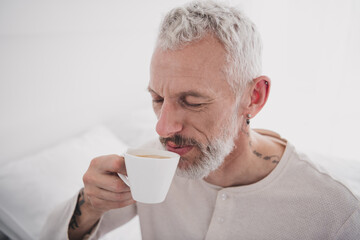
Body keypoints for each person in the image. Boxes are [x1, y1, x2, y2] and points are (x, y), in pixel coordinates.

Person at [41, 1, 360, 239]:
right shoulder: (152, 163)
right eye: (157, 99)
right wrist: (90, 203)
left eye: (192, 102)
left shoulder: (334, 211)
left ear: (254, 97)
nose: (163, 129)